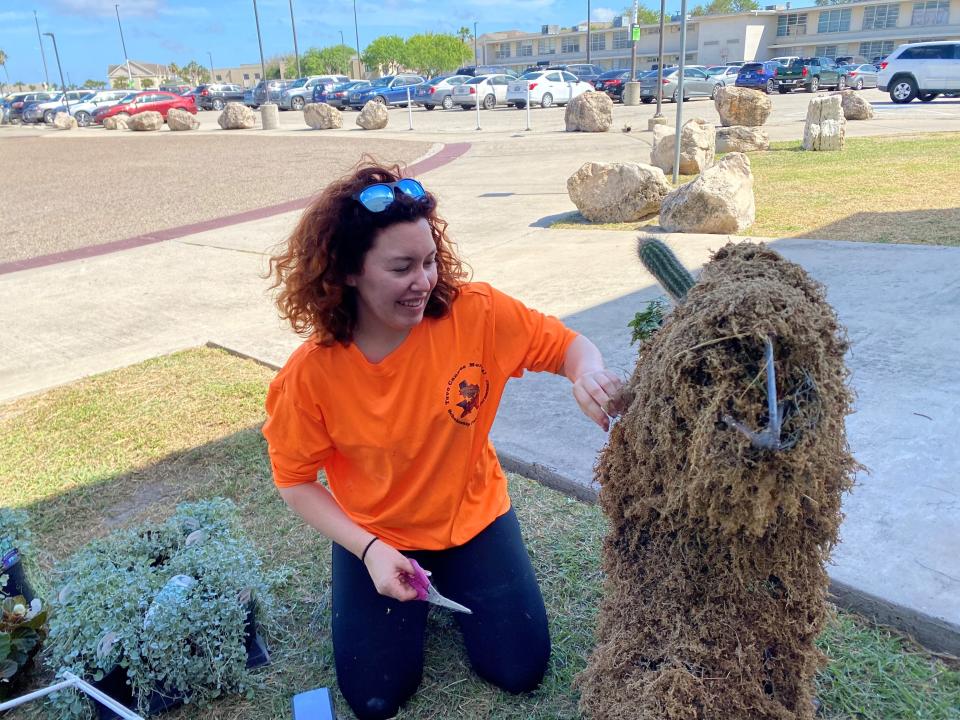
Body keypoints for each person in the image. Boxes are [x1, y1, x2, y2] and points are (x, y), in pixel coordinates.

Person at [262, 161, 622, 720]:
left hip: (473, 517)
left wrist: (587, 375)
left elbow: (567, 345)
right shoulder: (310, 375)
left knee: (519, 672)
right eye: (402, 267)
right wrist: (370, 550)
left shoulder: (474, 313)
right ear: (349, 272)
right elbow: (294, 481)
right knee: (376, 699)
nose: (424, 282)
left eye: (429, 261)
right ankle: (405, 585)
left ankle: (457, 582)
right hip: (378, 537)